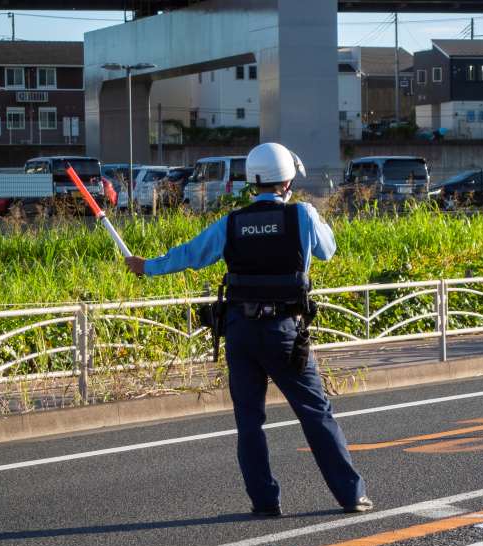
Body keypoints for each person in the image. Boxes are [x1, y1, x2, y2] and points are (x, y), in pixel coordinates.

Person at [125, 142, 371, 517]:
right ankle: (351, 495)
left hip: (239, 331)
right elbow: (328, 250)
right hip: (284, 331)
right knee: (315, 412)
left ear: (251, 181)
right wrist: (313, 216)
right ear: (287, 180)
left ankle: (264, 501)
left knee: (250, 421)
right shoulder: (301, 215)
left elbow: (190, 254)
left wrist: (148, 266)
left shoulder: (232, 223)